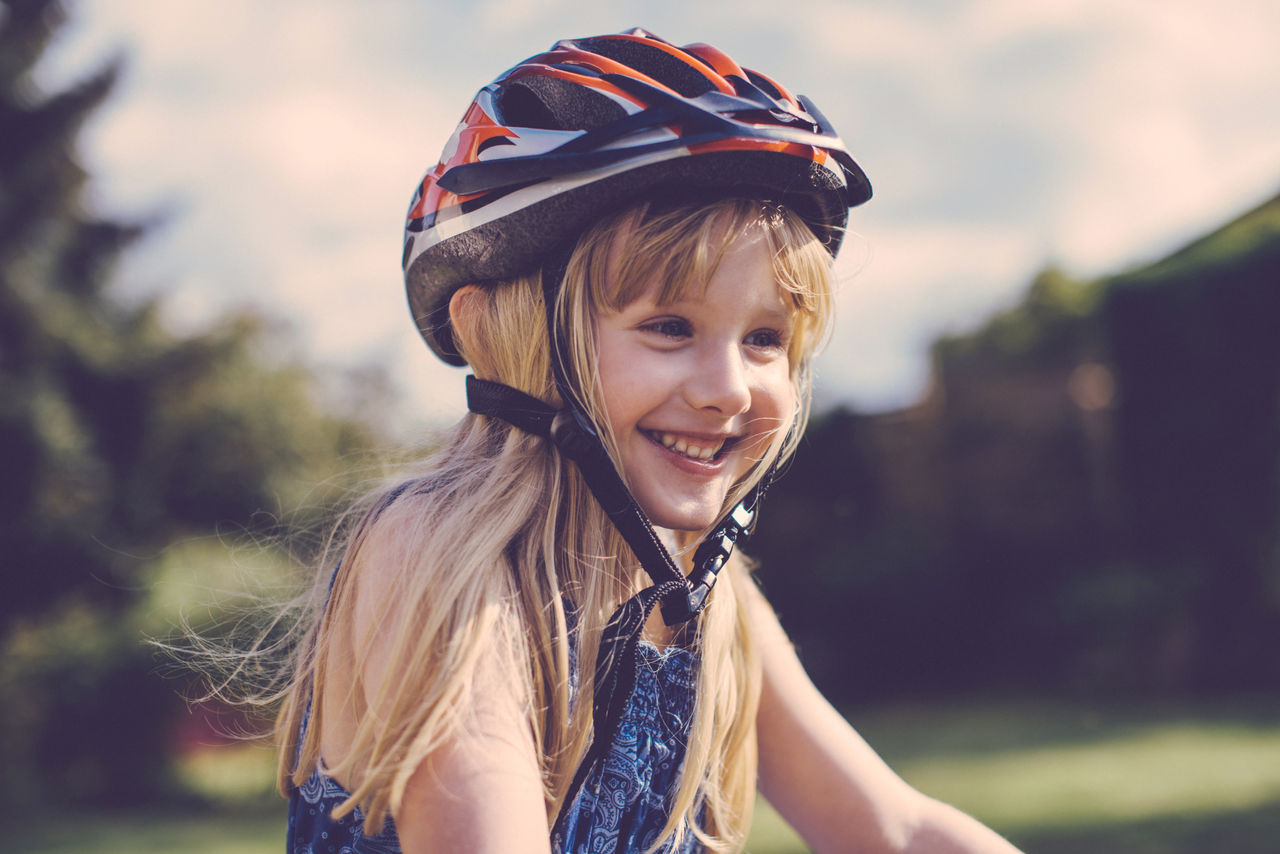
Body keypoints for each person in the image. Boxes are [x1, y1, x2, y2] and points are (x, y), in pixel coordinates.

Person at [276, 29, 1024, 854]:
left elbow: (897, 829)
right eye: (669, 327)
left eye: (766, 339)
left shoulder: (708, 598)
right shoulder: (435, 557)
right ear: (503, 337)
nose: (729, 388)